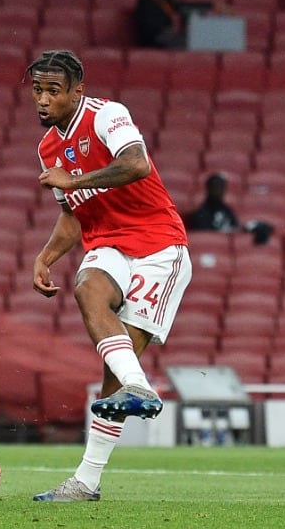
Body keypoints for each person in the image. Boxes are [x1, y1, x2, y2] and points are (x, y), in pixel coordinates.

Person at [25, 49, 191, 502]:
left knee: (113, 379)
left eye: (53, 91)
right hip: (108, 243)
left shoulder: (107, 115)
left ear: (78, 91)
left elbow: (136, 164)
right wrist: (45, 257)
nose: (42, 100)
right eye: (37, 90)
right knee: (87, 288)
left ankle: (87, 481)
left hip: (159, 246)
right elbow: (74, 218)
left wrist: (73, 181)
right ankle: (142, 388)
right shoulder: (47, 149)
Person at [185, 173, 273, 245]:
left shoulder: (227, 211)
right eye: (215, 187)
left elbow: (234, 228)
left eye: (221, 187)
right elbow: (203, 238)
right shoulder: (200, 214)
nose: (218, 190)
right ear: (208, 188)